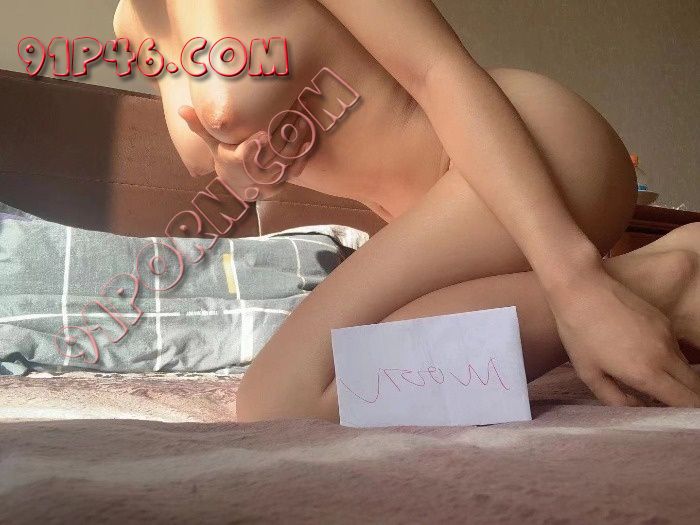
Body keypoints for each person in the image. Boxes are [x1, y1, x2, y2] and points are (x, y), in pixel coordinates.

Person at [114, 0, 700, 421]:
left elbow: (438, 69)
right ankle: (657, 281)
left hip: (526, 161)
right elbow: (211, 155)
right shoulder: (131, 19)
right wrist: (240, 169)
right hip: (446, 219)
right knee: (340, 380)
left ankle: (655, 283)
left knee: (280, 398)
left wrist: (577, 281)